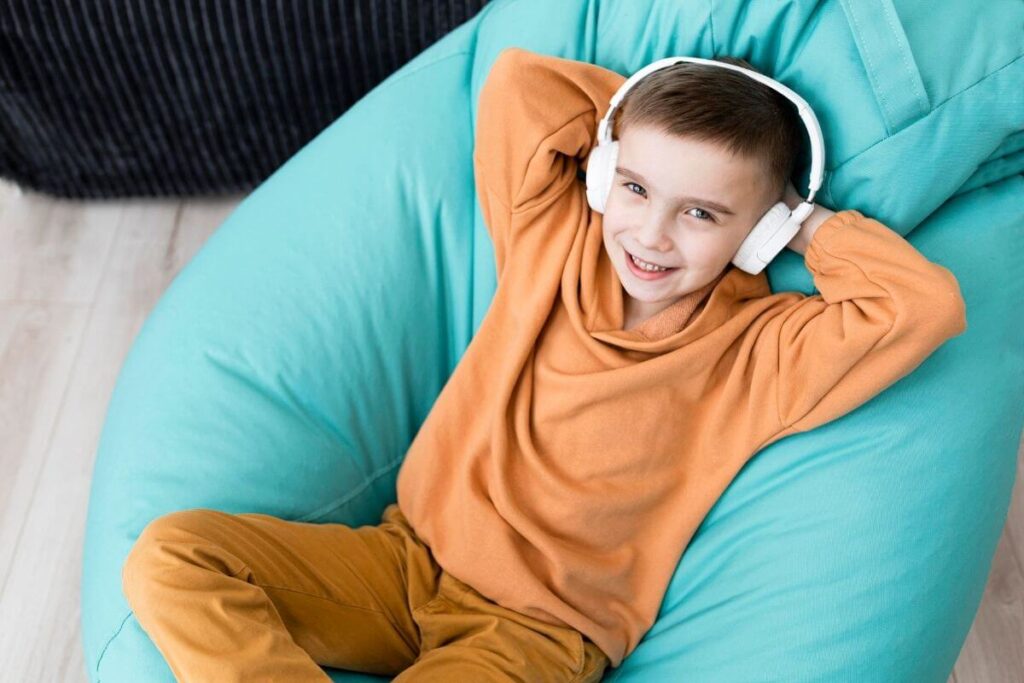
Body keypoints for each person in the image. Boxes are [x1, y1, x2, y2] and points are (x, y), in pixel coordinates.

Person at [121, 47, 967, 682]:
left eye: (702, 213)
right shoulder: (552, 240)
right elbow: (518, 85)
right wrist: (621, 140)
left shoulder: (761, 351)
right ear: (603, 176)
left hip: (537, 634)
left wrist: (801, 223)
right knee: (170, 555)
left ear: (755, 234)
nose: (652, 234)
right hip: (403, 561)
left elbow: (919, 307)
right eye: (635, 190)